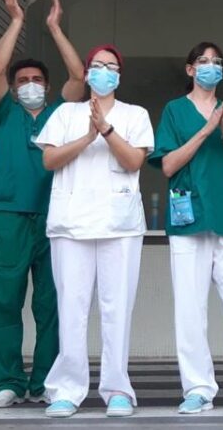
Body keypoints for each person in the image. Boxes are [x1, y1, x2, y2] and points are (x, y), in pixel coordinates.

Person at [148, 42, 223, 414]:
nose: (210, 67)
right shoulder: (174, 110)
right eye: (203, 61)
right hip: (188, 221)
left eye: (217, 62)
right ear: (189, 69)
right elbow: (168, 165)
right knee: (189, 309)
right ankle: (198, 388)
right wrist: (207, 130)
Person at [37, 44, 155, 418]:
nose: (105, 72)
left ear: (120, 75)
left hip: (119, 224)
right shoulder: (65, 113)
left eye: (112, 66)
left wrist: (105, 130)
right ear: (86, 73)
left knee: (117, 307)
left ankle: (117, 388)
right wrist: (87, 137)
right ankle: (66, 389)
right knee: (71, 307)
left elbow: (135, 159)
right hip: (70, 223)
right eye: (98, 66)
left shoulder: (134, 114)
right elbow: (48, 158)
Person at [0, 0, 85, 408]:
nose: (29, 86)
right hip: (9, 213)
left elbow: (79, 78)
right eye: (22, 81)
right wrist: (17, 22)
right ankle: (7, 380)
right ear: (13, 87)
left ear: (46, 86)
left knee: (52, 303)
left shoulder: (60, 113)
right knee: (5, 301)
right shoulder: (3, 112)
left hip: (54, 217)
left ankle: (45, 381)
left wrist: (55, 29)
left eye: (36, 81)